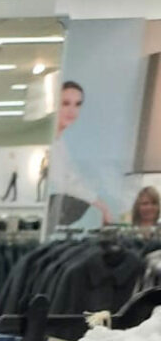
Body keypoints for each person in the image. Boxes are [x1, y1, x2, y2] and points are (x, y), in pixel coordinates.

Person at [47, 80, 112, 230]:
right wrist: (100, 205)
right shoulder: (50, 143)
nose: (72, 111)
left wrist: (99, 204)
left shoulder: (60, 143)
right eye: (65, 103)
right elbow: (64, 183)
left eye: (77, 104)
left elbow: (73, 180)